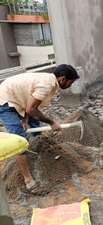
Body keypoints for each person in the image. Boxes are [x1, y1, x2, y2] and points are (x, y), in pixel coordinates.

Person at [0, 64, 80, 193]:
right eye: (70, 82)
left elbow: (29, 99)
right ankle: (28, 180)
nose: (71, 85)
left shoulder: (51, 83)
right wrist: (51, 122)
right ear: (63, 79)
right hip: (4, 100)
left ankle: (40, 153)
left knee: (35, 125)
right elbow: (31, 108)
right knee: (19, 140)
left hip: (17, 98)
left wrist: (25, 119)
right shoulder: (46, 85)